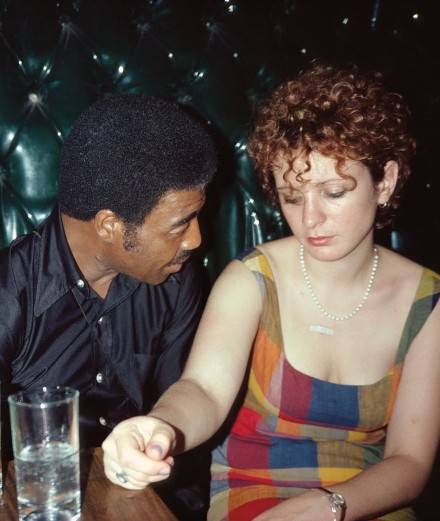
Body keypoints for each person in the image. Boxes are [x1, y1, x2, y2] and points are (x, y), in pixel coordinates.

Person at [102, 64, 440, 521]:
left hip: (365, 500)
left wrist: (330, 505)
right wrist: (160, 428)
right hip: (251, 489)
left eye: (334, 192)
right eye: (293, 197)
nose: (311, 219)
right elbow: (203, 389)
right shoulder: (252, 279)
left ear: (386, 182)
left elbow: (410, 462)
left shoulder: (428, 303)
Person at [0, 94, 217, 520]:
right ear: (110, 226)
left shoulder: (178, 280)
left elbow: (182, 425)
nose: (196, 239)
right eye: (180, 224)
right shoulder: (10, 291)